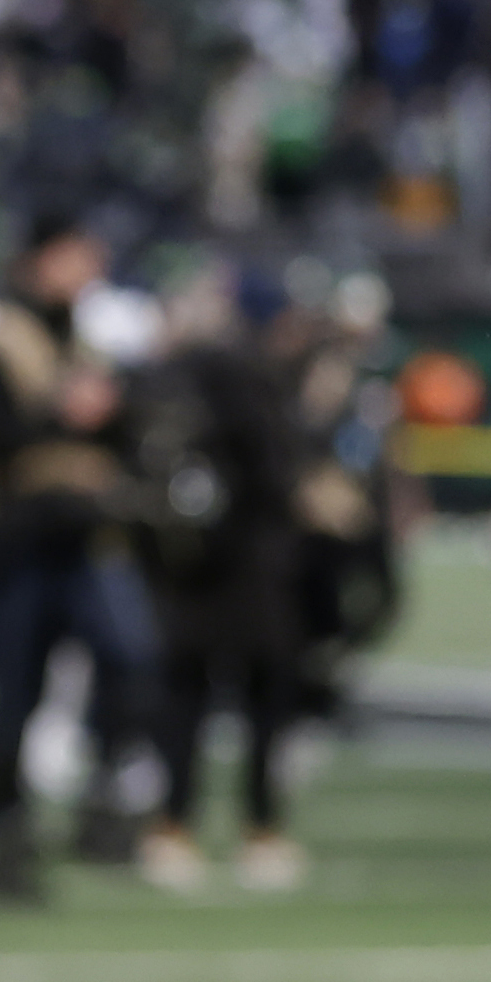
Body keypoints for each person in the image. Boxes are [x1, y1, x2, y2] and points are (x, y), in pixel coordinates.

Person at [0, 221, 153, 902]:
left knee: (130, 657)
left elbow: (127, 433)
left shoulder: (88, 342)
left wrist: (111, 415)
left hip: (88, 540)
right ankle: (5, 841)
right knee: (14, 698)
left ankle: (105, 803)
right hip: (20, 545)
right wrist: (59, 414)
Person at [124, 259, 311, 891]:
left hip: (187, 569)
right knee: (253, 704)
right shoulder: (246, 375)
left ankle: (174, 828)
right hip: (246, 567)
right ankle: (260, 831)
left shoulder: (164, 376)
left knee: (188, 704)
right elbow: (277, 470)